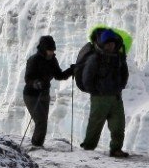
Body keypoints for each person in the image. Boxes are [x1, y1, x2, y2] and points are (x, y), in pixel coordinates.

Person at [75, 27, 130, 158]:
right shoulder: (94, 58)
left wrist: (120, 86)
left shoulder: (118, 57)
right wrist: (96, 91)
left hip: (116, 97)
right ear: (102, 44)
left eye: (112, 43)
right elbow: (87, 78)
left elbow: (124, 73)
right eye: (108, 43)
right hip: (100, 98)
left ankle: (116, 149)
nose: (111, 46)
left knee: (118, 126)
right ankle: (88, 148)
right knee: (95, 125)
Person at [21, 35, 73, 148]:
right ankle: (36, 144)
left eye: (53, 50)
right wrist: (36, 83)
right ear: (44, 49)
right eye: (49, 50)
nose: (51, 52)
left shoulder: (52, 60)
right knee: (41, 121)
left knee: (43, 120)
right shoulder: (33, 60)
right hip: (31, 95)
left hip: (44, 93)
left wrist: (71, 71)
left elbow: (59, 76)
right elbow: (28, 79)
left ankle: (38, 144)